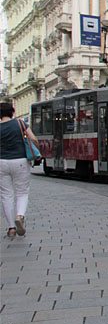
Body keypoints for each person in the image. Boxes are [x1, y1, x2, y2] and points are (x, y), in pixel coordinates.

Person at [0, 102, 39, 238]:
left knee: (6, 195)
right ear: (12, 111)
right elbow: (33, 139)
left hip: (2, 163)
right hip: (20, 161)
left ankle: (11, 228)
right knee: (22, 192)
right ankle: (20, 216)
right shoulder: (20, 123)